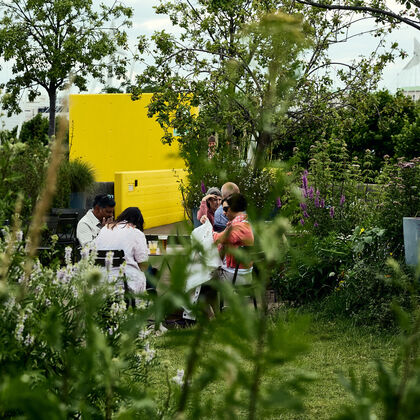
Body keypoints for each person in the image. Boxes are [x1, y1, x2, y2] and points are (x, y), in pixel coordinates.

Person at [94, 207, 148, 294]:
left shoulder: (104, 229)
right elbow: (143, 264)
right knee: (149, 272)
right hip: (125, 282)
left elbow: (94, 251)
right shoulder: (136, 232)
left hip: (101, 280)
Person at [213, 193, 254, 286]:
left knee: (203, 278)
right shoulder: (244, 224)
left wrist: (212, 233)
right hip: (243, 274)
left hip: (236, 277)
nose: (224, 212)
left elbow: (220, 238)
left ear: (233, 207)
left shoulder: (239, 227)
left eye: (225, 209)